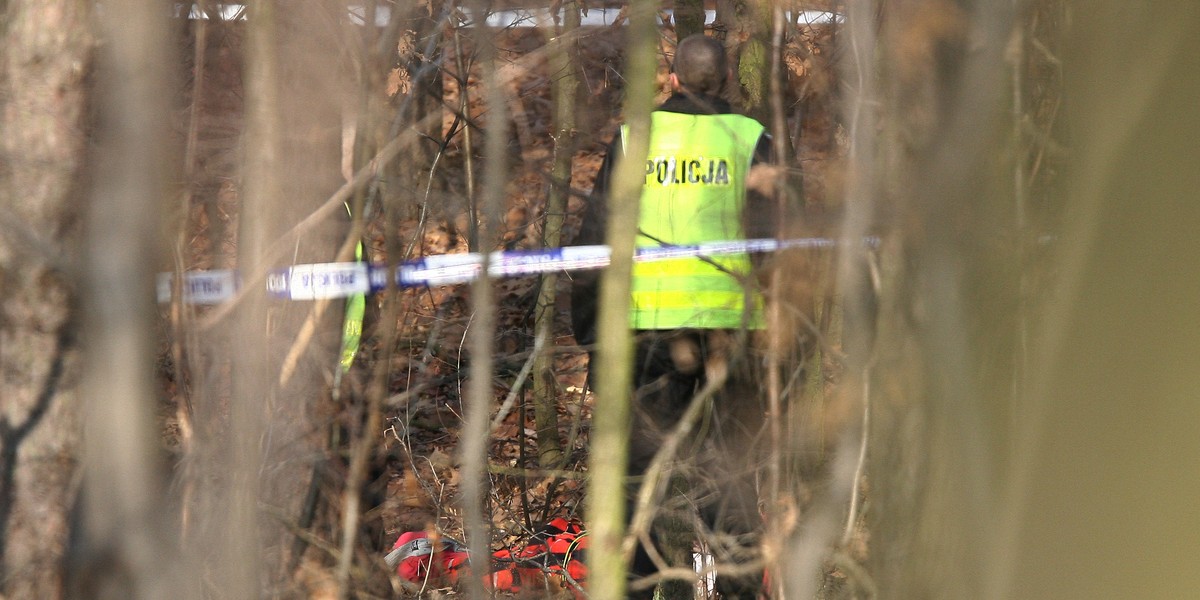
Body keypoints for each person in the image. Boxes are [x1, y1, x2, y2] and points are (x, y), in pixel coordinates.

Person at [571, 34, 773, 599]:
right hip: (730, 338)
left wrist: (591, 335)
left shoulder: (637, 139)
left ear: (674, 78)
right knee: (731, 485)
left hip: (648, 341)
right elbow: (777, 245)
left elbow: (596, 242)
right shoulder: (751, 139)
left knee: (639, 487)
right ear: (728, 79)